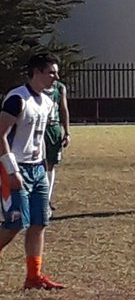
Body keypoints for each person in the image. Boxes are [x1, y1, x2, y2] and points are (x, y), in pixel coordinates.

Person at [0, 52, 66, 290]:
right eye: (51, 72)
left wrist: (44, 166)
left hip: (37, 169)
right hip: (14, 169)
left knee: (39, 222)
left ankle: (33, 276)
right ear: (36, 72)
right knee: (14, 224)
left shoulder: (48, 102)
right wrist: (10, 171)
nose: (55, 77)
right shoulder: (17, 99)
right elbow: (1, 136)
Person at [43, 74, 71, 210]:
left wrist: (67, 132)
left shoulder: (59, 88)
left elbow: (63, 109)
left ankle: (46, 199)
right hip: (40, 129)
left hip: (54, 129)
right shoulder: (37, 88)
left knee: (51, 164)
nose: (55, 76)